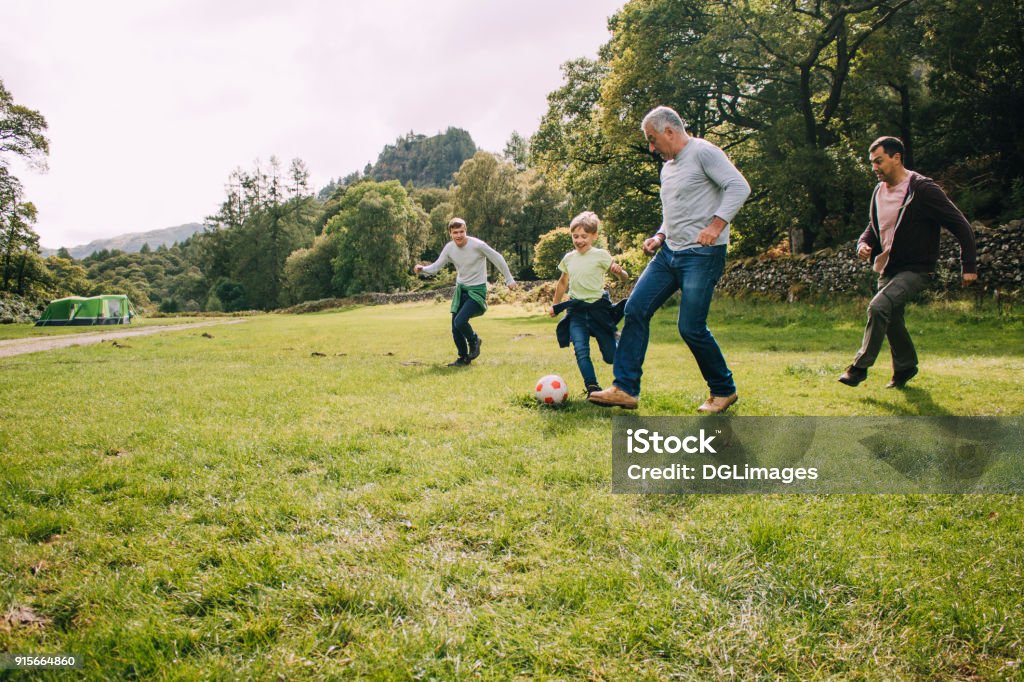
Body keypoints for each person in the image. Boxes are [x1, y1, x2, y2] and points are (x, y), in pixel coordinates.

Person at [589, 105, 750, 412]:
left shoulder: (704, 152)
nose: (651, 147)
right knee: (635, 309)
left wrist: (716, 226)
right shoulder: (668, 167)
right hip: (669, 253)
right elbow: (674, 210)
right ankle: (625, 389)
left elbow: (739, 187)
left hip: (701, 256)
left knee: (690, 326)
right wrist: (660, 235)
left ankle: (723, 389)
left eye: (652, 139)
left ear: (670, 132)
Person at [838, 136, 977, 388]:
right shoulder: (879, 191)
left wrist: (968, 266)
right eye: (871, 163)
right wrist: (863, 243)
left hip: (917, 268)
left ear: (896, 157)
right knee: (891, 319)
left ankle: (858, 368)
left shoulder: (922, 189)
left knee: (879, 307)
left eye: (879, 161)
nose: (874, 168)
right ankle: (905, 368)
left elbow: (960, 225)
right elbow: (873, 225)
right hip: (887, 267)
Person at [415, 218, 517, 367]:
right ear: (450, 233)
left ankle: (474, 340)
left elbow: (498, 258)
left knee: (460, 321)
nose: (459, 235)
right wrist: (422, 269)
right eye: (455, 232)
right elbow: (436, 267)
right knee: (455, 328)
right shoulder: (449, 248)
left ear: (466, 230)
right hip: (461, 289)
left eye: (461, 231)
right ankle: (463, 358)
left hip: (477, 291)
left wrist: (509, 279)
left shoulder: (477, 245)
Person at [549, 211, 629, 396]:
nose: (579, 240)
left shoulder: (600, 255)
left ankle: (623, 370)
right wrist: (555, 305)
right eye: (575, 236)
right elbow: (562, 282)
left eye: (584, 236)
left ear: (594, 236)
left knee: (610, 357)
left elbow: (624, 277)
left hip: (598, 311)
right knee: (580, 350)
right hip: (576, 311)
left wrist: (619, 272)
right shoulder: (569, 258)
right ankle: (592, 387)